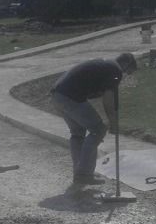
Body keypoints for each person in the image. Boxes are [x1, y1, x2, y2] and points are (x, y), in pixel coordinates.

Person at [50, 53, 138, 185]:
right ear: (125, 64)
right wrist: (113, 123)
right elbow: (108, 101)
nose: (125, 75)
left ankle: (79, 172)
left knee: (77, 133)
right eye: (127, 71)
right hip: (70, 97)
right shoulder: (115, 70)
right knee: (98, 130)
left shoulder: (106, 65)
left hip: (57, 95)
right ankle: (84, 174)